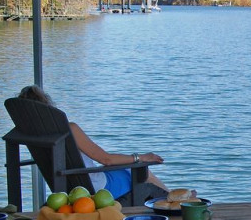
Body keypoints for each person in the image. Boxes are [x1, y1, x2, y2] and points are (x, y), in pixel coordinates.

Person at [17, 85, 169, 206]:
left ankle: (176, 197)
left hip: (69, 188)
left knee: (127, 166)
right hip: (98, 189)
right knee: (141, 169)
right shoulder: (70, 129)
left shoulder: (32, 134)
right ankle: (176, 201)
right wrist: (142, 157)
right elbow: (106, 159)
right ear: (48, 106)